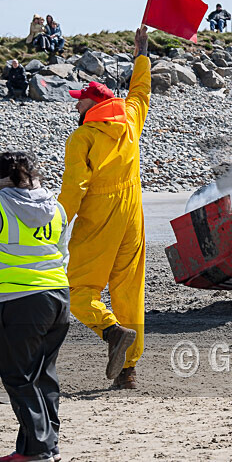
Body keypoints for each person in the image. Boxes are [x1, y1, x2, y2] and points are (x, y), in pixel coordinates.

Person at [58, 25, 151, 390]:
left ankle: (113, 332)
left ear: (94, 104)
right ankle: (128, 371)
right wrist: (141, 54)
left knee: (77, 291)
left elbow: (75, 188)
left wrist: (53, 226)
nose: (76, 104)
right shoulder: (129, 120)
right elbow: (140, 91)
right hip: (132, 212)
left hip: (99, 215)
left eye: (81, 100)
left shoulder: (82, 137)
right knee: (129, 289)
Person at [0, 151, 70, 462]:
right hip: (57, 295)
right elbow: (62, 250)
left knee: (18, 376)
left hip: (19, 300)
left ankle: (38, 451)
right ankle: (42, 447)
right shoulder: (55, 206)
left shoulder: (2, 205)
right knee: (43, 376)